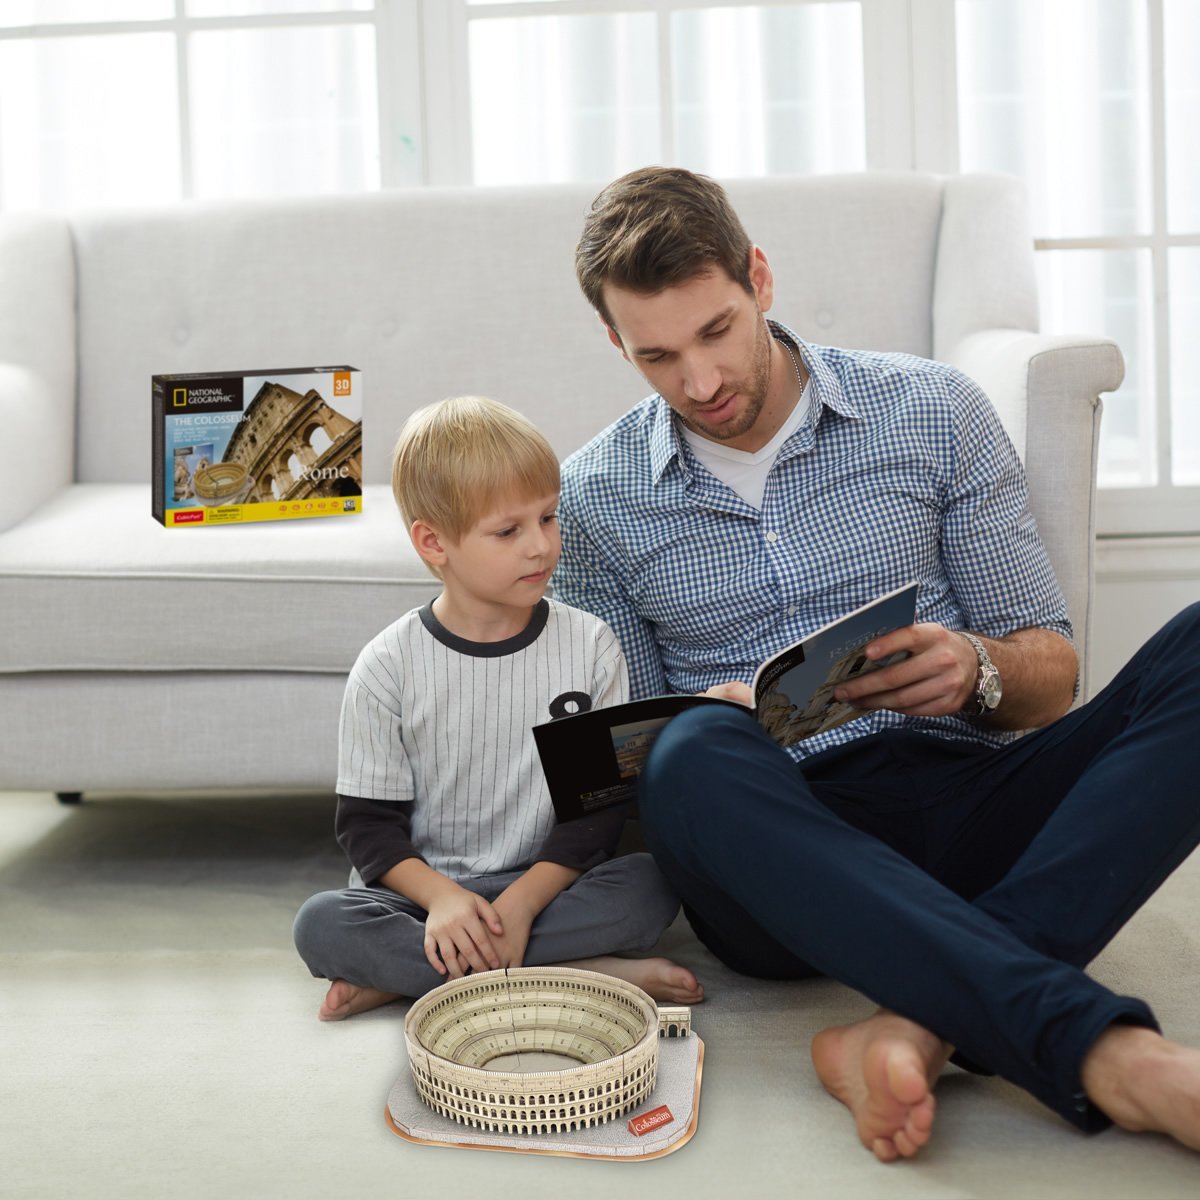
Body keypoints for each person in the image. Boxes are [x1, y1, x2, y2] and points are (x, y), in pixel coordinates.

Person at [554, 165, 1200, 1161]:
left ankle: (914, 1023)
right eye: (657, 356)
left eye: (717, 331)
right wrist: (702, 720)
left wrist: (976, 669)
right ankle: (1110, 1057)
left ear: (759, 277)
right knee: (690, 756)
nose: (701, 383)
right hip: (774, 860)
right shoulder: (594, 499)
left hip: (965, 796)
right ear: (615, 345)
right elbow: (613, 774)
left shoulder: (933, 410)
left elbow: (1052, 673)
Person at [293, 395, 702, 1021]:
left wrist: (522, 905)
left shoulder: (590, 646)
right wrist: (445, 903)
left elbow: (595, 818)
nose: (540, 546)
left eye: (547, 518)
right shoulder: (388, 666)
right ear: (434, 543)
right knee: (322, 924)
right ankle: (576, 971)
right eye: (509, 531)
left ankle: (422, 978)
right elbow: (367, 831)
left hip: (550, 882)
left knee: (651, 885)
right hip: (427, 901)